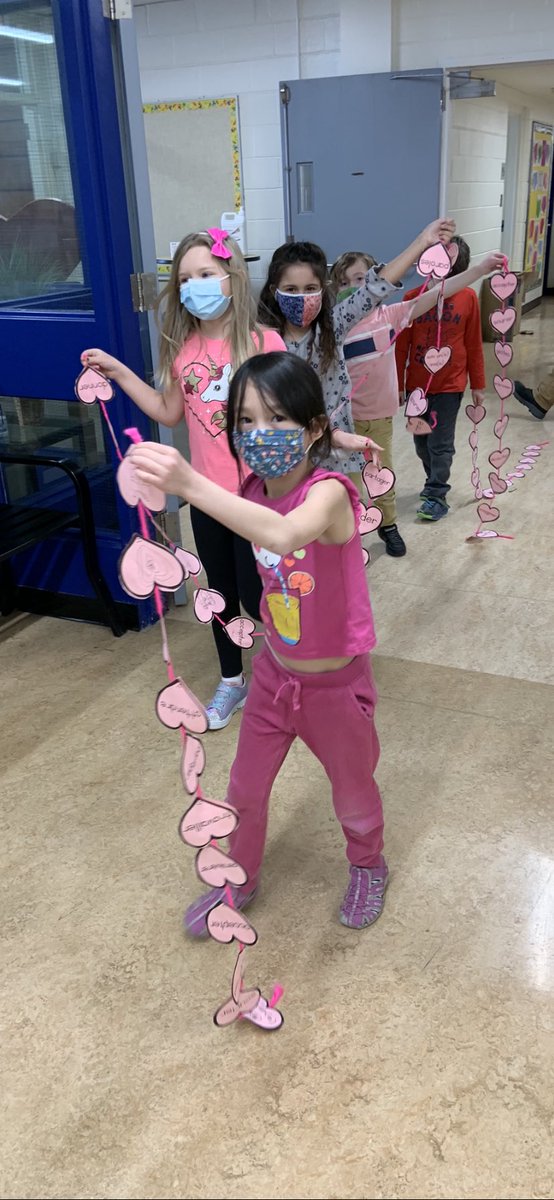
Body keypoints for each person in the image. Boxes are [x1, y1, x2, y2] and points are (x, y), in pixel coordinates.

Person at [130, 351, 388, 932]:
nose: (258, 434)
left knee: (352, 790)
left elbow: (285, 531)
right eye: (244, 421)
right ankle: (239, 876)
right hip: (275, 675)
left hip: (335, 687)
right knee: (243, 790)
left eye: (275, 419)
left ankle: (369, 865)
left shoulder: (330, 495)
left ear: (314, 427)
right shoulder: (250, 484)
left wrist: (189, 483)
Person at [81, 229, 285, 730]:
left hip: (261, 499)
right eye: (185, 279)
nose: (194, 286)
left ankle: (284, 674)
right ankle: (232, 680)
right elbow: (168, 412)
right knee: (219, 590)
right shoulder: (183, 350)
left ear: (231, 278)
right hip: (207, 497)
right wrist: (118, 371)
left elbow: (291, 415)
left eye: (205, 275)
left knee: (262, 594)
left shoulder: (265, 342)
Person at [329, 242, 506, 553]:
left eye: (360, 279)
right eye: (343, 281)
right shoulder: (334, 327)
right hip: (344, 421)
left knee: (382, 474)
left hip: (380, 417)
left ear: (376, 281)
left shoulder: (392, 315)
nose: (352, 288)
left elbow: (436, 295)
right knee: (352, 483)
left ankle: (389, 525)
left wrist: (478, 270)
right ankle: (351, 534)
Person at [257, 219, 456, 486]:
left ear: (322, 289)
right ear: (275, 291)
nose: (301, 298)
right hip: (283, 457)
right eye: (291, 290)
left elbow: (375, 287)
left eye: (310, 289)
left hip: (332, 455)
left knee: (338, 517)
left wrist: (422, 241)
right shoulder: (264, 340)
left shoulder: (333, 326)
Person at [395, 238, 505, 521]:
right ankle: (433, 480)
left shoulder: (467, 298)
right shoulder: (412, 300)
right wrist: (397, 385)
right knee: (421, 442)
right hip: (417, 386)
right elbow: (401, 348)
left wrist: (478, 385)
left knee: (440, 442)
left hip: (450, 385)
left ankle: (436, 493)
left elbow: (472, 344)